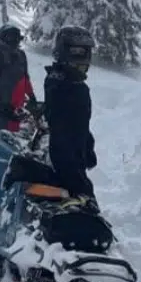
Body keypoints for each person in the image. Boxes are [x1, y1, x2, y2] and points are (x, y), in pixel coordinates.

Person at [43, 26, 97, 199]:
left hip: (73, 159)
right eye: (78, 55)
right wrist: (77, 180)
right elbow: (62, 132)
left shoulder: (71, 84)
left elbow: (78, 123)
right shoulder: (62, 86)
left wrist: (87, 145)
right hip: (66, 166)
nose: (83, 67)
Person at [0, 24, 37, 134]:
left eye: (17, 39)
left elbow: (25, 78)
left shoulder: (21, 55)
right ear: (3, 39)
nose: (15, 42)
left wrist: (32, 96)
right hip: (1, 107)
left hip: (18, 106)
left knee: (20, 136)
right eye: (11, 38)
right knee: (4, 135)